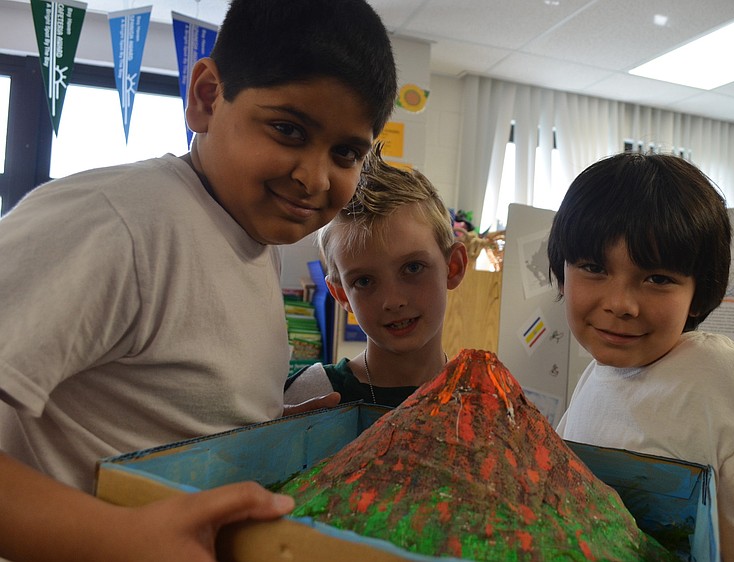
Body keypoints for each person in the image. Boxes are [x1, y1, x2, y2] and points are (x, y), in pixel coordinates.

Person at [0, 0, 397, 559]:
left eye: (346, 152)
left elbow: (150, 406)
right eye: (288, 129)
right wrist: (121, 539)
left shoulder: (250, 235)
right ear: (206, 97)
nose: (313, 177)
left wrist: (266, 427)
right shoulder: (118, 222)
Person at [548, 151, 734, 561]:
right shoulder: (597, 375)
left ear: (698, 294)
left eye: (657, 278)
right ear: (562, 274)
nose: (621, 304)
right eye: (592, 268)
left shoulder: (728, 381)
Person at [284, 147, 468, 408]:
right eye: (364, 281)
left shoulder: (481, 400)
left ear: (453, 267)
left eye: (413, 268)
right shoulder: (310, 397)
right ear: (341, 294)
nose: (392, 301)